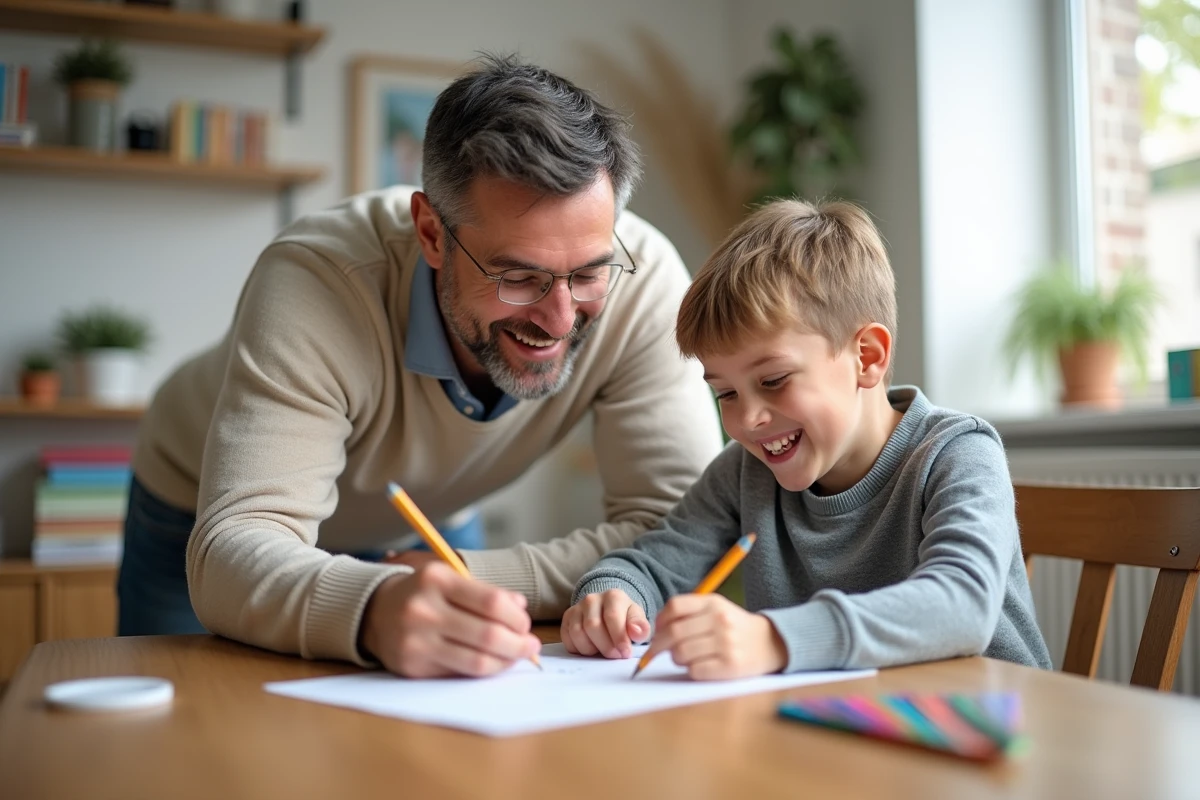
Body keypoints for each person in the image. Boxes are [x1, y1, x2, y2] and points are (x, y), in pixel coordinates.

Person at [117, 54, 723, 678]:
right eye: (517, 277)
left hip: (426, 525)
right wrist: (374, 607)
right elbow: (235, 548)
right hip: (201, 510)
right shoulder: (319, 280)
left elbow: (679, 531)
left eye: (590, 272)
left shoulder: (646, 283)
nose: (561, 319)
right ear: (431, 233)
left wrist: (458, 574)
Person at [562, 199, 1052, 679]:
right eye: (725, 393)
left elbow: (962, 605)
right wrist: (612, 596)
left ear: (868, 356)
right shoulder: (744, 473)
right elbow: (654, 564)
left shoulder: (958, 454)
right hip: (845, 734)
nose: (748, 418)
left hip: (994, 732)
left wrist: (775, 640)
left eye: (774, 380)